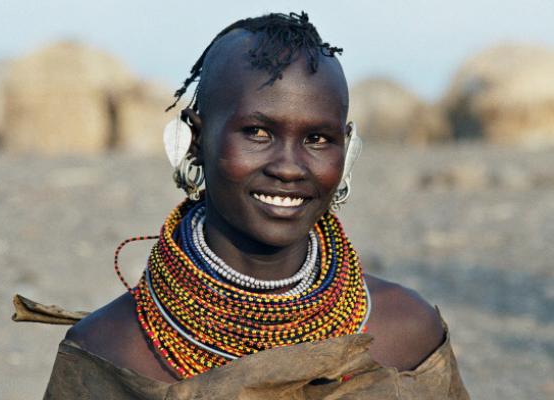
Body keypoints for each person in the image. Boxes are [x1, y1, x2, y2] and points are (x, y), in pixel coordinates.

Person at [38, 12, 469, 399]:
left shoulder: (405, 331)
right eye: (257, 133)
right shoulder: (111, 348)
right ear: (194, 141)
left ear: (348, 149)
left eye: (318, 139)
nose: (288, 168)